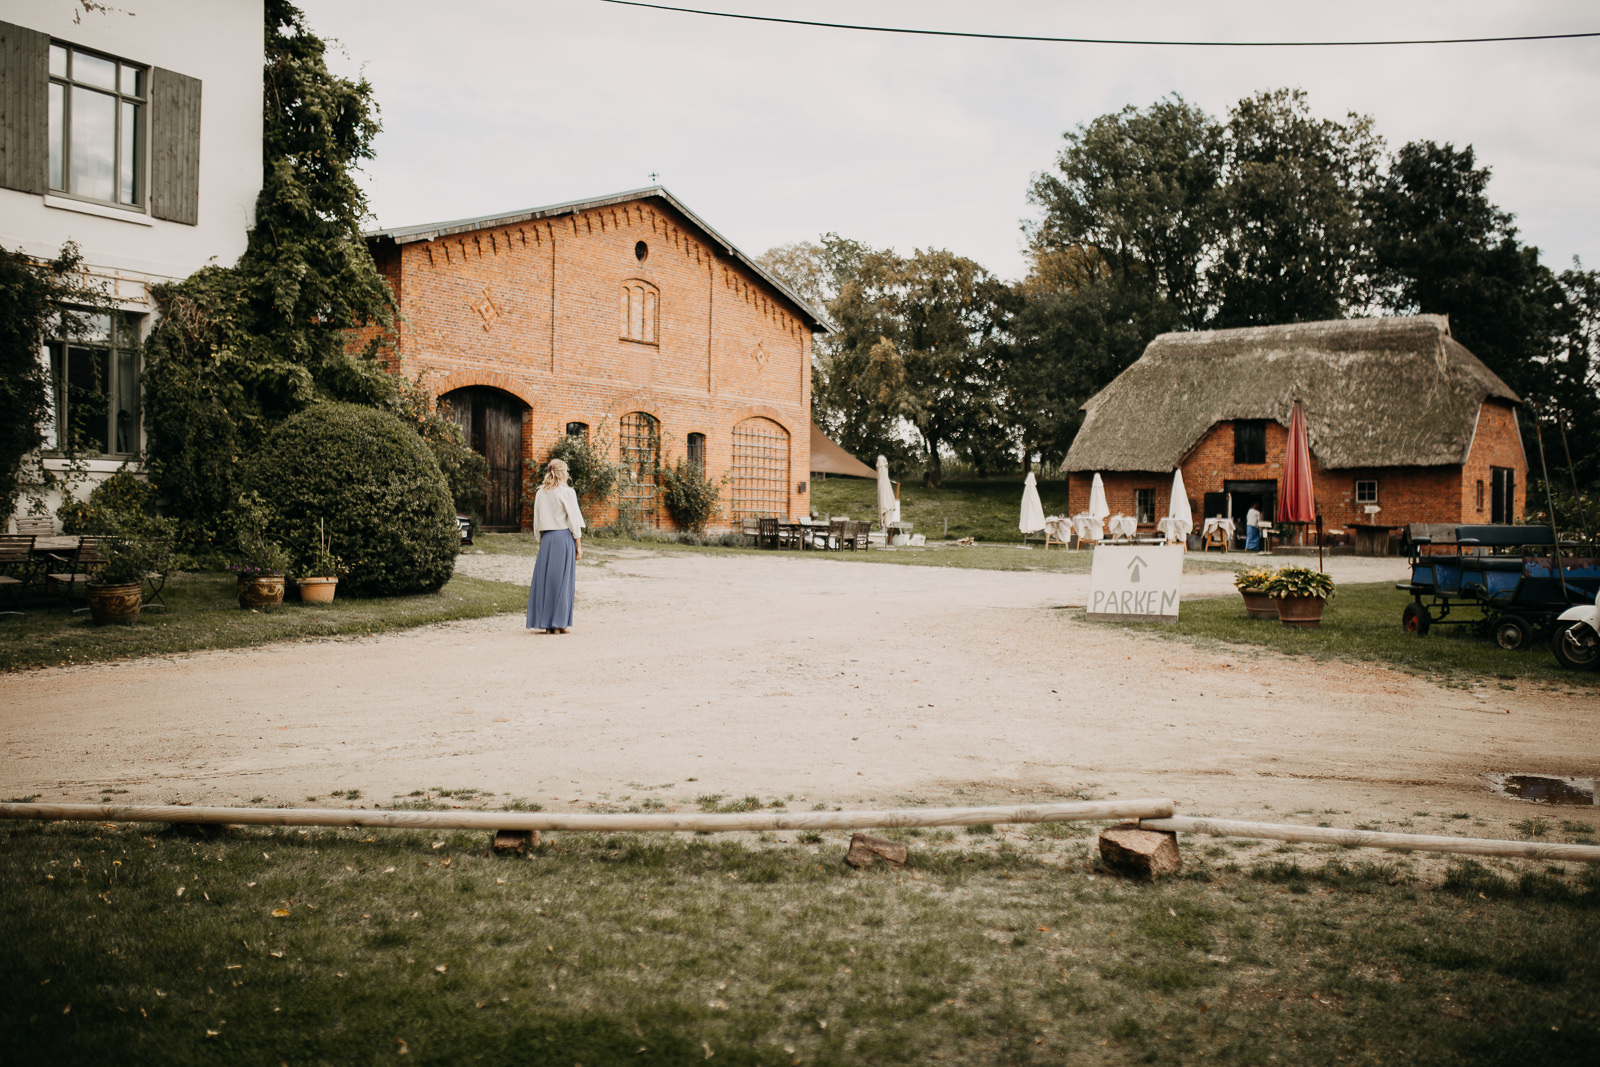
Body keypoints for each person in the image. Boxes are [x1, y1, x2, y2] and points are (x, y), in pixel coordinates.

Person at [527, 458, 585, 633]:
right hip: (563, 538)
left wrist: (540, 540)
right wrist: (578, 543)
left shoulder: (541, 493)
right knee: (562, 582)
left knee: (547, 581)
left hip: (547, 539)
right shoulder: (567, 492)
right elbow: (573, 520)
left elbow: (537, 520)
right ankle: (559, 623)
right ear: (563, 473)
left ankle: (547, 624)